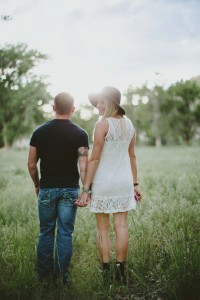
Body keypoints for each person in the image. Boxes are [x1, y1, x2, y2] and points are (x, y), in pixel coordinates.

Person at [75, 86, 142, 283]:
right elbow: (132, 156)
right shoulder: (130, 125)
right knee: (121, 226)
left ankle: (106, 272)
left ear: (110, 102)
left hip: (103, 181)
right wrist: (135, 183)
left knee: (103, 229)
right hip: (123, 182)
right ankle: (121, 272)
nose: (97, 105)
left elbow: (94, 159)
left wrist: (86, 189)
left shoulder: (102, 125)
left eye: (101, 101)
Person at [27, 92, 89, 284]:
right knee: (65, 233)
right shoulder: (81, 134)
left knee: (46, 231)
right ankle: (63, 275)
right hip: (70, 190)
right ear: (73, 109)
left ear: (53, 108)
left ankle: (44, 276)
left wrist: (37, 184)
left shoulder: (39, 132)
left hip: (47, 189)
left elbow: (31, 164)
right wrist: (85, 190)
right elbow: (84, 165)